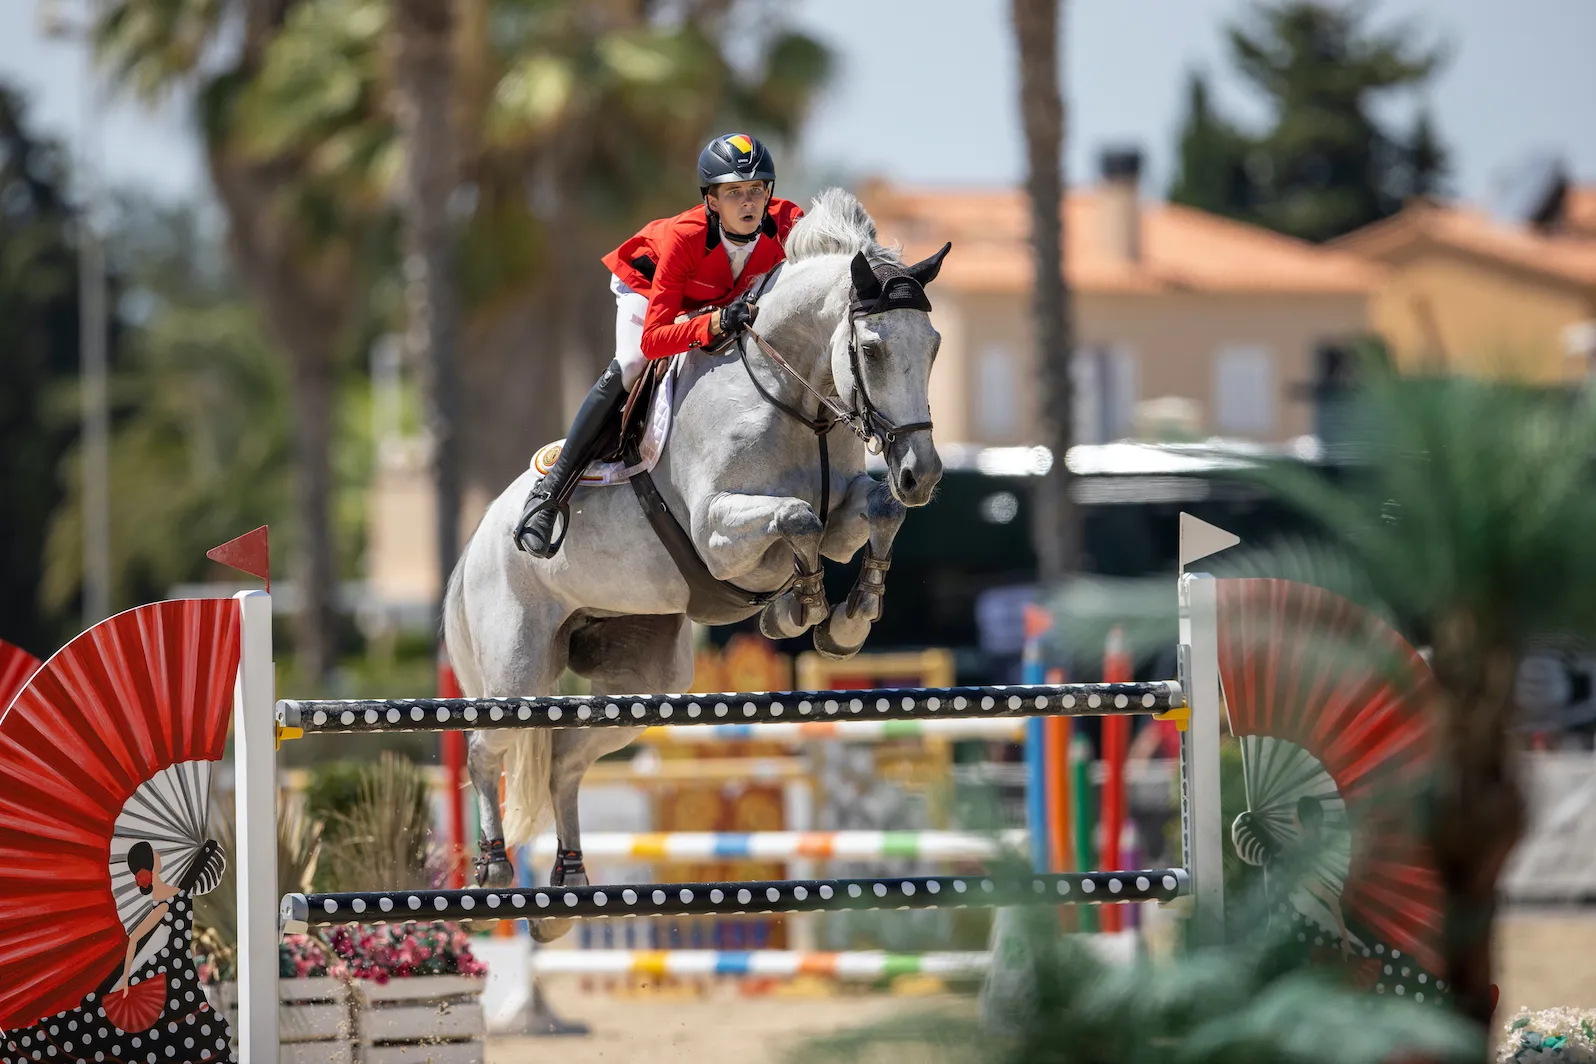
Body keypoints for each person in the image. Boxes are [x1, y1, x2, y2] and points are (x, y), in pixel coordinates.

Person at [513, 132, 805, 558]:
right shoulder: (686, 236)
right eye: (734, 193)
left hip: (717, 296)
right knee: (631, 363)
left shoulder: (786, 222)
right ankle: (549, 493)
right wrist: (713, 322)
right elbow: (653, 341)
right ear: (711, 201)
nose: (748, 203)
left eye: (757, 190)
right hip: (648, 286)